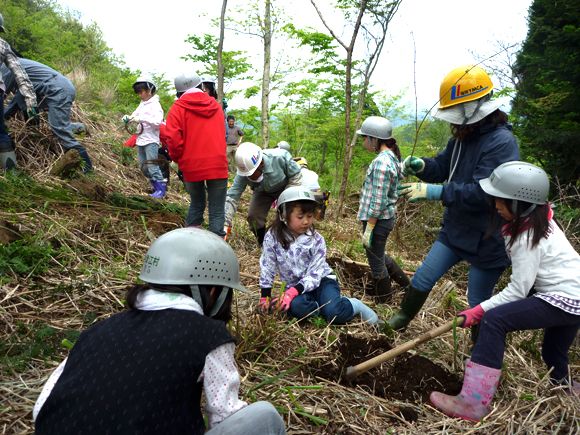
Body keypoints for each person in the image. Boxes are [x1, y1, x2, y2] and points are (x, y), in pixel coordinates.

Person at [33, 227, 286, 434]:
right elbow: (224, 415)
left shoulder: (99, 329)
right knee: (264, 416)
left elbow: (42, 407)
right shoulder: (209, 337)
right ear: (212, 291)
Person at [430, 161, 580, 421]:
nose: (496, 206)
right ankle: (566, 387)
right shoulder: (540, 218)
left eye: (501, 201)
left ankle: (473, 402)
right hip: (575, 297)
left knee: (495, 320)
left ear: (522, 204)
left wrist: (478, 310)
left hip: (563, 297)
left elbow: (518, 290)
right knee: (552, 351)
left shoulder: (527, 237)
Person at [387, 65, 520, 337]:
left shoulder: (501, 143)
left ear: (475, 108)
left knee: (477, 301)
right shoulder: (462, 137)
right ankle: (399, 321)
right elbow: (444, 165)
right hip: (456, 229)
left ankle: (481, 352)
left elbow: (486, 193)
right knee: (424, 276)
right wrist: (422, 165)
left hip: (487, 236)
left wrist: (436, 193)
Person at [259, 186, 379, 325]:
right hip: (296, 287)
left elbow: (315, 274)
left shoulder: (317, 240)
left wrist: (291, 293)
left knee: (334, 314)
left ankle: (353, 305)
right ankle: (319, 307)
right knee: (296, 307)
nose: (306, 221)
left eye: (309, 216)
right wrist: (265, 297)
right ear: (284, 215)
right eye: (300, 216)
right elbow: (267, 266)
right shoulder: (272, 237)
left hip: (322, 282)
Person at [164, 72, 228, 237]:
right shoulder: (215, 106)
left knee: (197, 203)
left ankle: (190, 243)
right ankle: (217, 252)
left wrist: (178, 159)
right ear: (201, 86)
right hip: (218, 164)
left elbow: (172, 138)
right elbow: (223, 134)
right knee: (217, 209)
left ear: (179, 93)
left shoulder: (177, 108)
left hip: (191, 165)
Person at [2, 58, 93, 172]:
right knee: (26, 104)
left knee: (59, 129)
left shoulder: (7, 67)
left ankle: (88, 168)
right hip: (53, 88)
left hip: (57, 89)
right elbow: (17, 100)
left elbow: (2, 94)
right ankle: (80, 128)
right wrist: (5, 116)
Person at [356, 116, 410, 303]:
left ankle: (384, 298)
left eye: (365, 138)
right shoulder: (391, 158)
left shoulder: (381, 162)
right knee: (378, 254)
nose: (363, 142)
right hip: (384, 219)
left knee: (375, 261)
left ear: (374, 139)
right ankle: (406, 286)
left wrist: (370, 226)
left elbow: (378, 199)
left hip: (378, 221)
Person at [225, 142, 303, 246]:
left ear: (261, 163)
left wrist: (286, 200)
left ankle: (291, 241)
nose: (249, 177)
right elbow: (232, 197)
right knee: (254, 217)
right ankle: (263, 243)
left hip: (286, 188)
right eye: (247, 175)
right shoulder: (243, 172)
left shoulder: (280, 157)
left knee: (287, 215)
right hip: (262, 191)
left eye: (252, 173)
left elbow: (296, 177)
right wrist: (225, 223)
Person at [0, 14, 39, 170]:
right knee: (0, 132)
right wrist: (31, 102)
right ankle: (12, 175)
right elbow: (21, 75)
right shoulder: (3, 45)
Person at [121, 76, 165, 197]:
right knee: (143, 166)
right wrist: (128, 118)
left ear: (150, 89)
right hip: (141, 139)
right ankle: (156, 187)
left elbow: (157, 122)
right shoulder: (142, 104)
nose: (140, 94)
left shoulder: (155, 105)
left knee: (151, 165)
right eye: (138, 92)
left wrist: (142, 119)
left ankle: (161, 190)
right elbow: (134, 115)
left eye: (142, 91)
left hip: (151, 140)